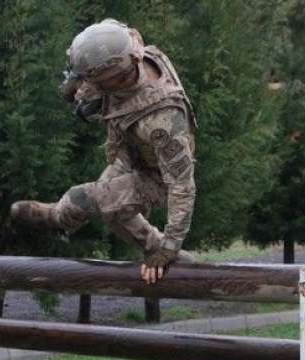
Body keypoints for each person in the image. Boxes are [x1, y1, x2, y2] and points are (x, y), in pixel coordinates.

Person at [11, 19, 196, 284]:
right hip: (131, 149)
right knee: (104, 202)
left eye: (98, 82)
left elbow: (182, 185)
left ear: (116, 80)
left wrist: (169, 249)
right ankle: (65, 215)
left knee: (95, 199)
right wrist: (77, 80)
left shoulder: (163, 122)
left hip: (158, 175)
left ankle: (149, 243)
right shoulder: (129, 46)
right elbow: (108, 34)